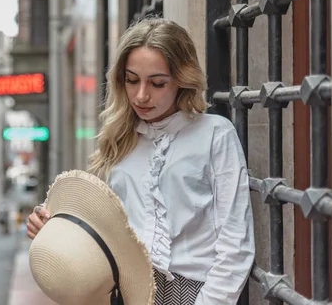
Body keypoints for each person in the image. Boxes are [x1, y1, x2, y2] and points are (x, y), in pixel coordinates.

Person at [27, 18, 255, 305]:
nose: (141, 95)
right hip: (125, 292)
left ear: (182, 80)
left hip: (198, 294)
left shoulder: (214, 134)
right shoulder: (119, 138)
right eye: (132, 80)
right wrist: (49, 223)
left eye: (157, 83)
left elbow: (236, 241)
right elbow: (102, 230)